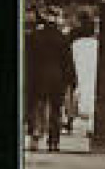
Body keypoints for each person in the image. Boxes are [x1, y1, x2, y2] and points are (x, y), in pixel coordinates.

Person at [26, 9, 76, 152]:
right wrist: (72, 80)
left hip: (38, 76)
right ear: (56, 20)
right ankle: (53, 141)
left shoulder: (34, 36)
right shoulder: (62, 38)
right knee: (56, 109)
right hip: (57, 78)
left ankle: (35, 136)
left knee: (37, 106)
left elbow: (29, 59)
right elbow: (68, 61)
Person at [69, 15, 99, 136]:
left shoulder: (75, 44)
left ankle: (69, 120)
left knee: (76, 94)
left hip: (79, 70)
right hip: (92, 71)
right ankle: (91, 125)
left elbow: (71, 60)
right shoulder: (98, 44)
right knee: (92, 95)